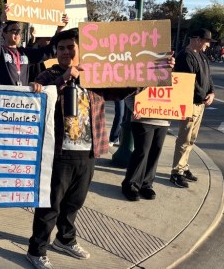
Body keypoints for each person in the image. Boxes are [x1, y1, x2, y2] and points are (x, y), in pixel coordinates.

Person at [26, 29, 141, 269]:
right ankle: (36, 249)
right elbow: (39, 98)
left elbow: (120, 90)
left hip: (88, 151)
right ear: (56, 52)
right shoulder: (49, 75)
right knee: (49, 205)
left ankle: (65, 240)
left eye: (71, 47)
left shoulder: (94, 76)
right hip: (59, 153)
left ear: (80, 50)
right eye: (61, 48)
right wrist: (65, 78)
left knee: (74, 203)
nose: (66, 52)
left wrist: (153, 71)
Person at [170, 28, 216, 188]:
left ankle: (184, 166)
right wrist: (204, 95)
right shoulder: (185, 56)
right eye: (206, 41)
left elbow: (208, 77)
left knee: (192, 138)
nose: (208, 45)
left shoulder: (202, 57)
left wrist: (212, 92)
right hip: (189, 103)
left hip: (200, 103)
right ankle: (176, 172)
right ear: (196, 39)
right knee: (184, 138)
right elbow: (188, 82)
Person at [0, 5, 67, 86]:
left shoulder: (24, 53)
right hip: (3, 96)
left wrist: (59, 30)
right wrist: (1, 22)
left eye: (19, 31)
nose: (17, 33)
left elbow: (48, 52)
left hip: (21, 97)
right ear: (4, 33)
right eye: (13, 31)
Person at [121, 94, 170, 201]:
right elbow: (128, 94)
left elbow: (179, 94)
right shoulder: (142, 76)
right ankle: (130, 185)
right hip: (142, 120)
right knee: (142, 152)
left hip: (163, 120)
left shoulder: (174, 77)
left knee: (155, 153)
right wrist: (135, 108)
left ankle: (146, 185)